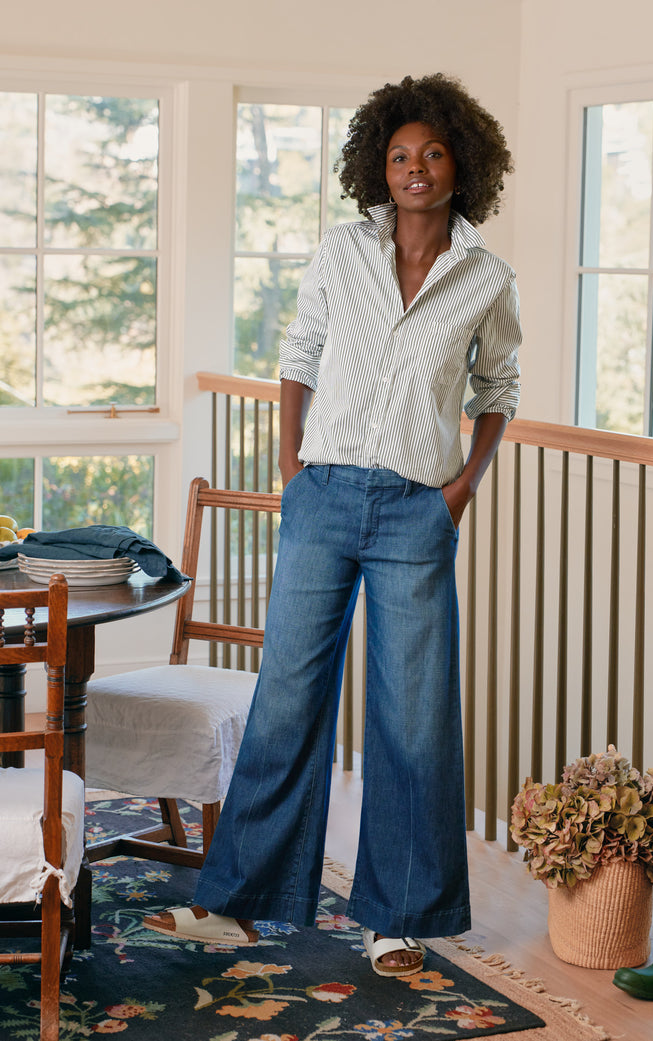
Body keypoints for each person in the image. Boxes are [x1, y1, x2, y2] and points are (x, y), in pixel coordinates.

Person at [144, 72, 521, 977]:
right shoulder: (342, 250)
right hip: (323, 495)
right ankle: (237, 906)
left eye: (432, 153)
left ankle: (397, 916)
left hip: (415, 508)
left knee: (413, 717)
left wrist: (460, 490)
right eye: (398, 156)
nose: (414, 168)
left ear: (460, 164)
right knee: (286, 699)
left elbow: (498, 389)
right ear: (377, 168)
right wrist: (292, 467)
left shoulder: (485, 277)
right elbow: (300, 353)